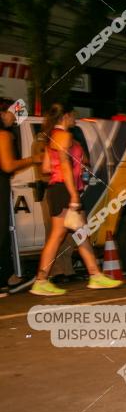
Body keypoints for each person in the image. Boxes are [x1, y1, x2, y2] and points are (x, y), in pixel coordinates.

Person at [29, 104, 122, 296]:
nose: (75, 119)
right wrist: (73, 195)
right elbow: (64, 166)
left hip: (57, 189)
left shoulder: (52, 137)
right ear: (65, 116)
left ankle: (95, 275)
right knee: (58, 236)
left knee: (80, 234)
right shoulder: (64, 136)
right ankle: (41, 280)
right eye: (73, 116)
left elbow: (46, 168)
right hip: (65, 189)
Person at [0, 100, 39, 296]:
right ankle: (8, 279)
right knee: (1, 235)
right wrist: (32, 159)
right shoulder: (4, 135)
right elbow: (8, 166)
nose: (14, 120)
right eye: (12, 115)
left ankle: (7, 279)